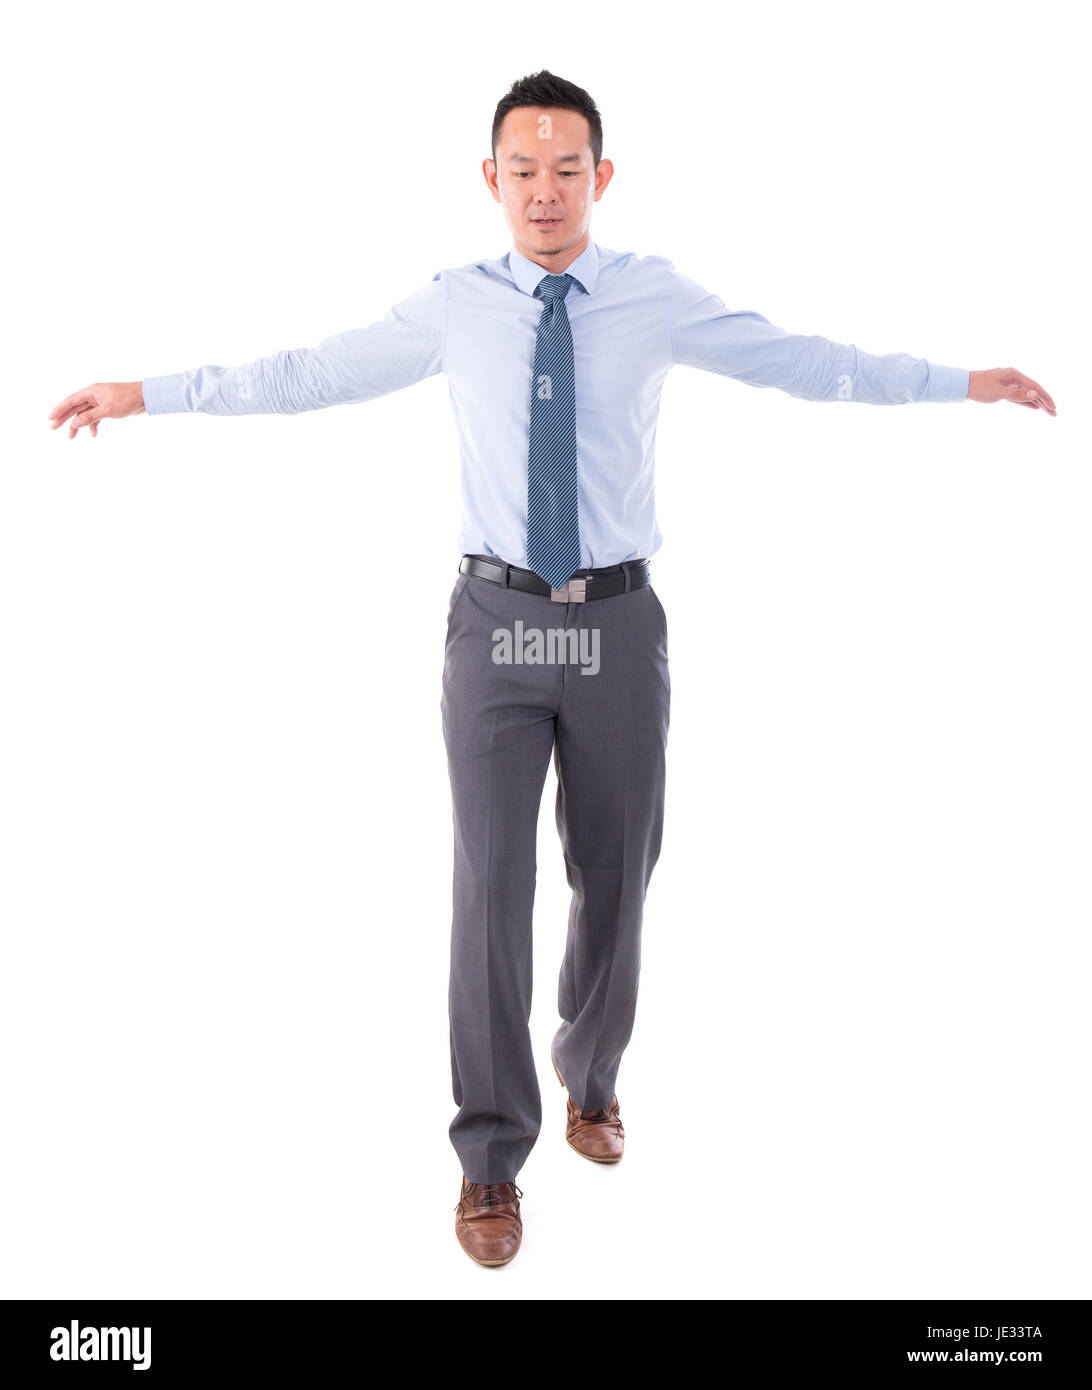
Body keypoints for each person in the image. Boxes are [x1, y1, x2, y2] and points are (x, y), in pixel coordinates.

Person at [47, 69, 1056, 1270]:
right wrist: (147, 394)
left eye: (564, 168)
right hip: (497, 626)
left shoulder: (655, 296)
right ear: (490, 179)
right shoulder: (455, 305)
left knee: (619, 872)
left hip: (618, 626)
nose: (542, 190)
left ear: (601, 177)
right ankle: (488, 1161)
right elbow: (305, 374)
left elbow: (803, 359)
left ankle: (593, 1073)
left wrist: (960, 382)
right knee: (488, 891)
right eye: (520, 169)